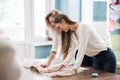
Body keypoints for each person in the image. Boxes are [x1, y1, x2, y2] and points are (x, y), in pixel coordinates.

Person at [47, 13, 116, 74]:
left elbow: (81, 49)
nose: (60, 30)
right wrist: (61, 66)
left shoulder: (83, 27)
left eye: (59, 27)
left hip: (107, 57)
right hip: (96, 58)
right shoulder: (72, 33)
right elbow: (71, 51)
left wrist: (75, 69)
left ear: (63, 21)